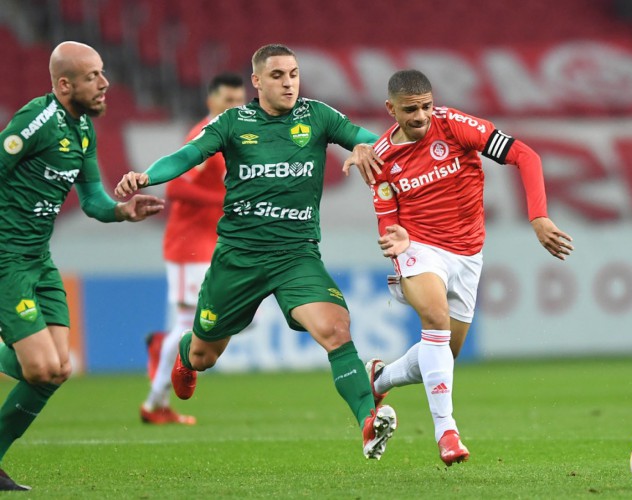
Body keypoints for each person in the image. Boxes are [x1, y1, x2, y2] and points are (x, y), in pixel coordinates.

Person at [115, 44, 397, 459]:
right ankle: (184, 356)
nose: (289, 83)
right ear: (258, 81)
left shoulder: (317, 116)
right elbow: (189, 155)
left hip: (295, 254)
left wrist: (367, 147)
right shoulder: (232, 122)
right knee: (204, 353)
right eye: (279, 75)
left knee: (336, 329)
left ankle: (367, 422)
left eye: (294, 74)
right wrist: (146, 176)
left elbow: (368, 139)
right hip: (238, 258)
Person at [347, 69, 574, 466]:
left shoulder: (454, 126)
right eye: (410, 110)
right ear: (391, 109)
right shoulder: (381, 158)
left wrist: (538, 217)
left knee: (445, 355)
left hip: (468, 253)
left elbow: (525, 155)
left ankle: (379, 378)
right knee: (434, 319)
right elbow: (387, 216)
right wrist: (394, 236)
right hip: (419, 248)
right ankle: (447, 432)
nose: (420, 117)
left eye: (425, 107)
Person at [0, 41, 164, 491]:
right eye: (93, 75)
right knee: (37, 368)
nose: (105, 82)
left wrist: (122, 211)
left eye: (103, 72)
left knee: (58, 370)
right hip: (7, 259)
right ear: (65, 83)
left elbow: (92, 200)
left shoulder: (84, 129)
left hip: (39, 258)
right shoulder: (36, 121)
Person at [140, 72, 246, 426]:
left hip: (211, 242)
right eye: (227, 101)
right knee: (190, 324)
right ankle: (155, 404)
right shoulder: (204, 136)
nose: (234, 107)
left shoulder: (233, 135)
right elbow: (176, 190)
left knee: (217, 317)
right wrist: (224, 198)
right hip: (189, 244)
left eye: (238, 101)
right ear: (211, 102)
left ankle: (161, 360)